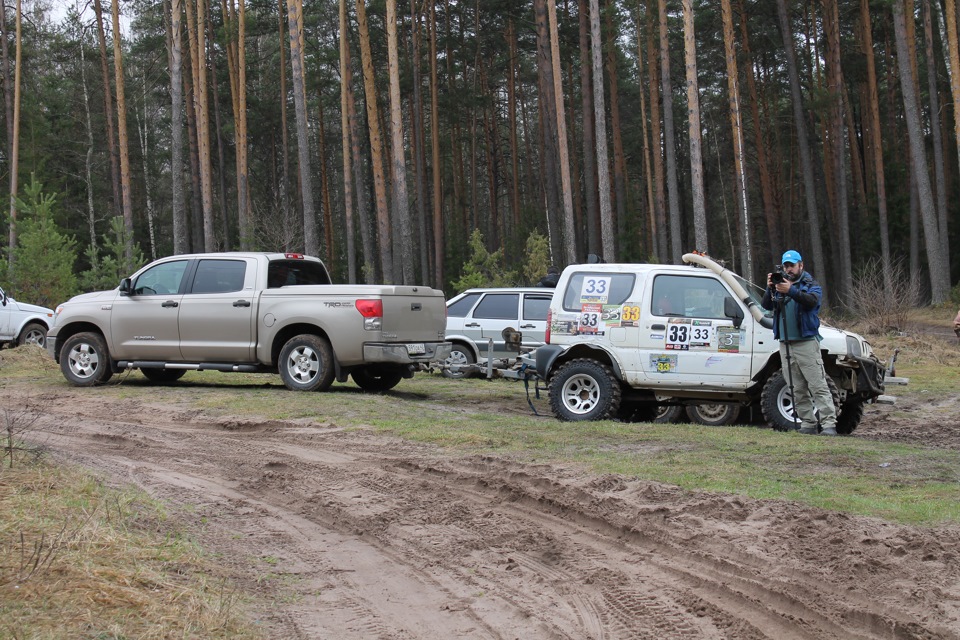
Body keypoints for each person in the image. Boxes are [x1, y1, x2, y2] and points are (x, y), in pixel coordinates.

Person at [760, 250, 838, 436]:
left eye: (792, 265)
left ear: (800, 265)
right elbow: (766, 306)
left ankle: (829, 424)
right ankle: (808, 424)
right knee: (795, 387)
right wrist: (770, 287)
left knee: (817, 384)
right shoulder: (778, 286)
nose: (789, 269)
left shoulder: (810, 285)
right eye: (786, 266)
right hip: (785, 344)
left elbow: (812, 302)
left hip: (806, 343)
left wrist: (791, 290)